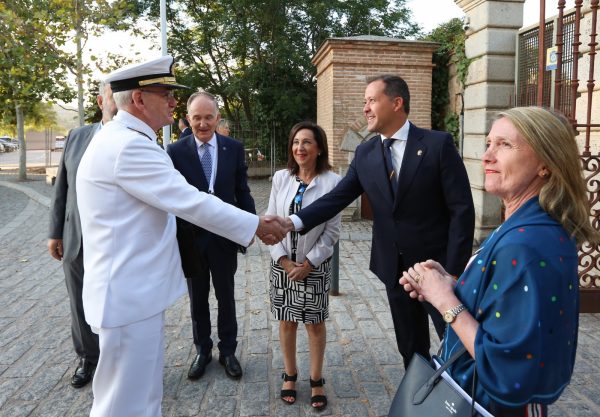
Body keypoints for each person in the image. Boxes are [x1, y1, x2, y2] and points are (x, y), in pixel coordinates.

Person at [76, 55, 288, 417]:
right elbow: (191, 202)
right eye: (166, 93)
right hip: (129, 300)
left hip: (129, 297)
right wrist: (255, 225)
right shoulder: (130, 146)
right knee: (126, 404)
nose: (174, 102)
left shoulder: (120, 138)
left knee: (137, 399)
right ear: (140, 100)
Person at [400, 106, 599, 416]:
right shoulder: (530, 225)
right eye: (489, 144)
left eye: (505, 145)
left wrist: (444, 301)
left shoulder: (525, 244)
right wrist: (453, 285)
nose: (488, 156)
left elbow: (506, 370)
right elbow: (509, 305)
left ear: (545, 163)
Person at [285, 74, 475, 368]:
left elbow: (462, 210)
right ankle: (417, 401)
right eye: (364, 102)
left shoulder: (438, 145)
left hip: (437, 270)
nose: (365, 108)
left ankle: (465, 400)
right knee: (410, 347)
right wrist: (292, 222)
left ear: (397, 103)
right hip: (395, 269)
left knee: (458, 342)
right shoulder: (365, 152)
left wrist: (452, 270)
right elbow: (336, 198)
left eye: (372, 100)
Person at [167, 92, 255, 380]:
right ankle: (202, 350)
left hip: (224, 238)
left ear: (217, 118)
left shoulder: (234, 148)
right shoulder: (175, 152)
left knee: (226, 296)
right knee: (198, 299)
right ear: (188, 119)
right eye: (196, 118)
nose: (202, 124)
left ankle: (228, 350)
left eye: (208, 117)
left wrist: (250, 226)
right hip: (191, 240)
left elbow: (242, 190)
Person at [266, 122, 341, 411]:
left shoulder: (333, 182)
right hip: (283, 264)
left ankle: (316, 378)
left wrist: (309, 263)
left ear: (319, 147)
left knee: (314, 323)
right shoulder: (281, 178)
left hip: (314, 265)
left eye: (307, 142)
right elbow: (271, 222)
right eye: (296, 142)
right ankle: (290, 374)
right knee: (286, 320)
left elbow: (332, 232)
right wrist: (284, 261)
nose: (300, 148)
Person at [47, 80, 117, 388]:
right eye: (114, 96)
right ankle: (88, 359)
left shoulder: (136, 140)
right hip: (76, 239)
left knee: (113, 303)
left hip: (115, 242)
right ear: (102, 102)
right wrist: (55, 232)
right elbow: (61, 188)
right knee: (79, 303)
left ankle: (117, 361)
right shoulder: (77, 137)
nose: (120, 102)